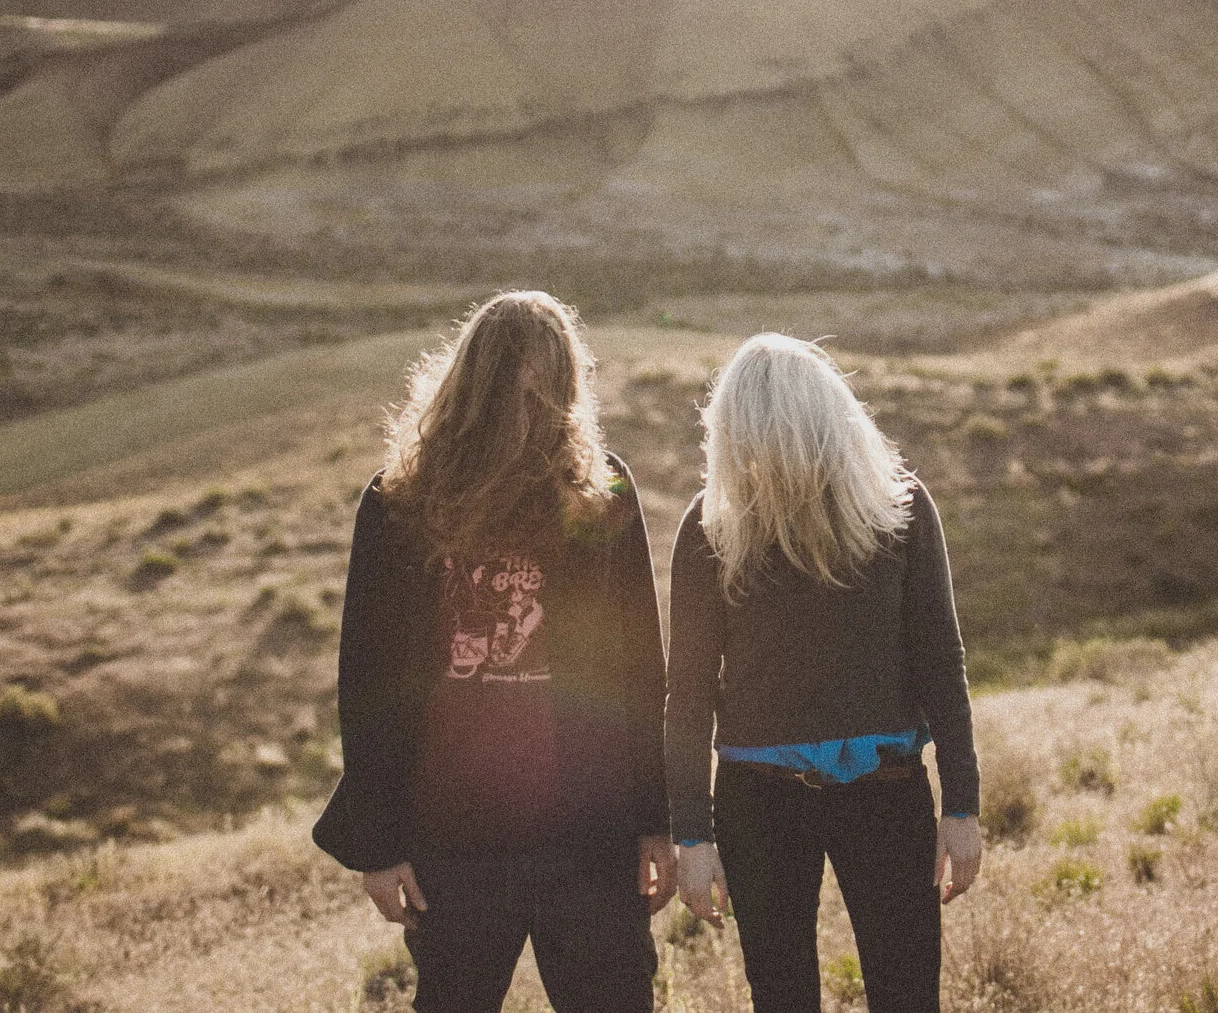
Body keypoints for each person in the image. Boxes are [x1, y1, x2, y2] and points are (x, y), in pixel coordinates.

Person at [314, 291, 676, 1013]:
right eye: (519, 377)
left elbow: (639, 667)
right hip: (453, 839)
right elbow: (369, 681)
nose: (529, 395)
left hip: (589, 835)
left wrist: (655, 821)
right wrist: (379, 844)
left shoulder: (601, 492)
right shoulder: (399, 503)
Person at [666, 334, 982, 1013]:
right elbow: (687, 693)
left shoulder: (896, 508)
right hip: (759, 801)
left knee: (906, 995)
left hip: (887, 790)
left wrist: (962, 805)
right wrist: (691, 833)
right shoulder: (710, 527)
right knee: (781, 998)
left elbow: (940, 662)